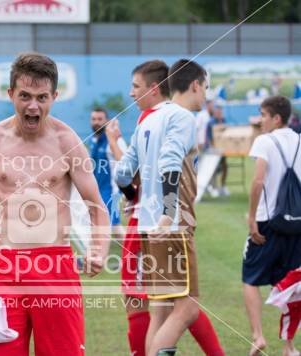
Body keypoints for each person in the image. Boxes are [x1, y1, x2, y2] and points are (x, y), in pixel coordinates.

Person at [0, 52, 110, 356]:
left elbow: (96, 207)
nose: (33, 106)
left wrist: (98, 249)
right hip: (3, 268)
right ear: (10, 94)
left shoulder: (68, 142)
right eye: (24, 96)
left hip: (56, 268)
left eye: (41, 97)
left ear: (54, 97)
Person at [112, 60, 223, 356]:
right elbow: (170, 162)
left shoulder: (147, 119)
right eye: (206, 88)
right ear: (195, 85)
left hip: (149, 228)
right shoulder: (183, 117)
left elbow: (123, 172)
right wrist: (168, 212)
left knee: (160, 312)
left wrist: (130, 196)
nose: (205, 96)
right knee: (186, 310)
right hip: (172, 226)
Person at [243, 95, 301, 356]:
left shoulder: (264, 141)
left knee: (250, 278)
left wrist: (252, 217)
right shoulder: (299, 140)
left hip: (267, 222)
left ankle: (258, 336)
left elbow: (257, 182)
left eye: (263, 115)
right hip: (296, 224)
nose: (260, 120)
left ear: (276, 118)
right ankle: (289, 346)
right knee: (291, 284)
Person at [89, 107, 127, 231]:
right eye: (94, 119)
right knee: (113, 226)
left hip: (112, 191)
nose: (96, 122)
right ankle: (133, 248)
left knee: (105, 225)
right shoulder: (93, 140)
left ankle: (95, 250)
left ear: (107, 121)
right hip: (98, 190)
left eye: (100, 119)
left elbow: (126, 163)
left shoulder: (115, 140)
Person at [205, 105, 229, 197]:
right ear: (215, 113)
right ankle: (213, 187)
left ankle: (222, 187)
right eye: (218, 112)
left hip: (222, 149)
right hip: (213, 150)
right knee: (213, 169)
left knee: (225, 167)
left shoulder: (224, 121)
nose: (219, 114)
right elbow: (209, 137)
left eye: (221, 112)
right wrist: (212, 148)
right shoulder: (210, 122)